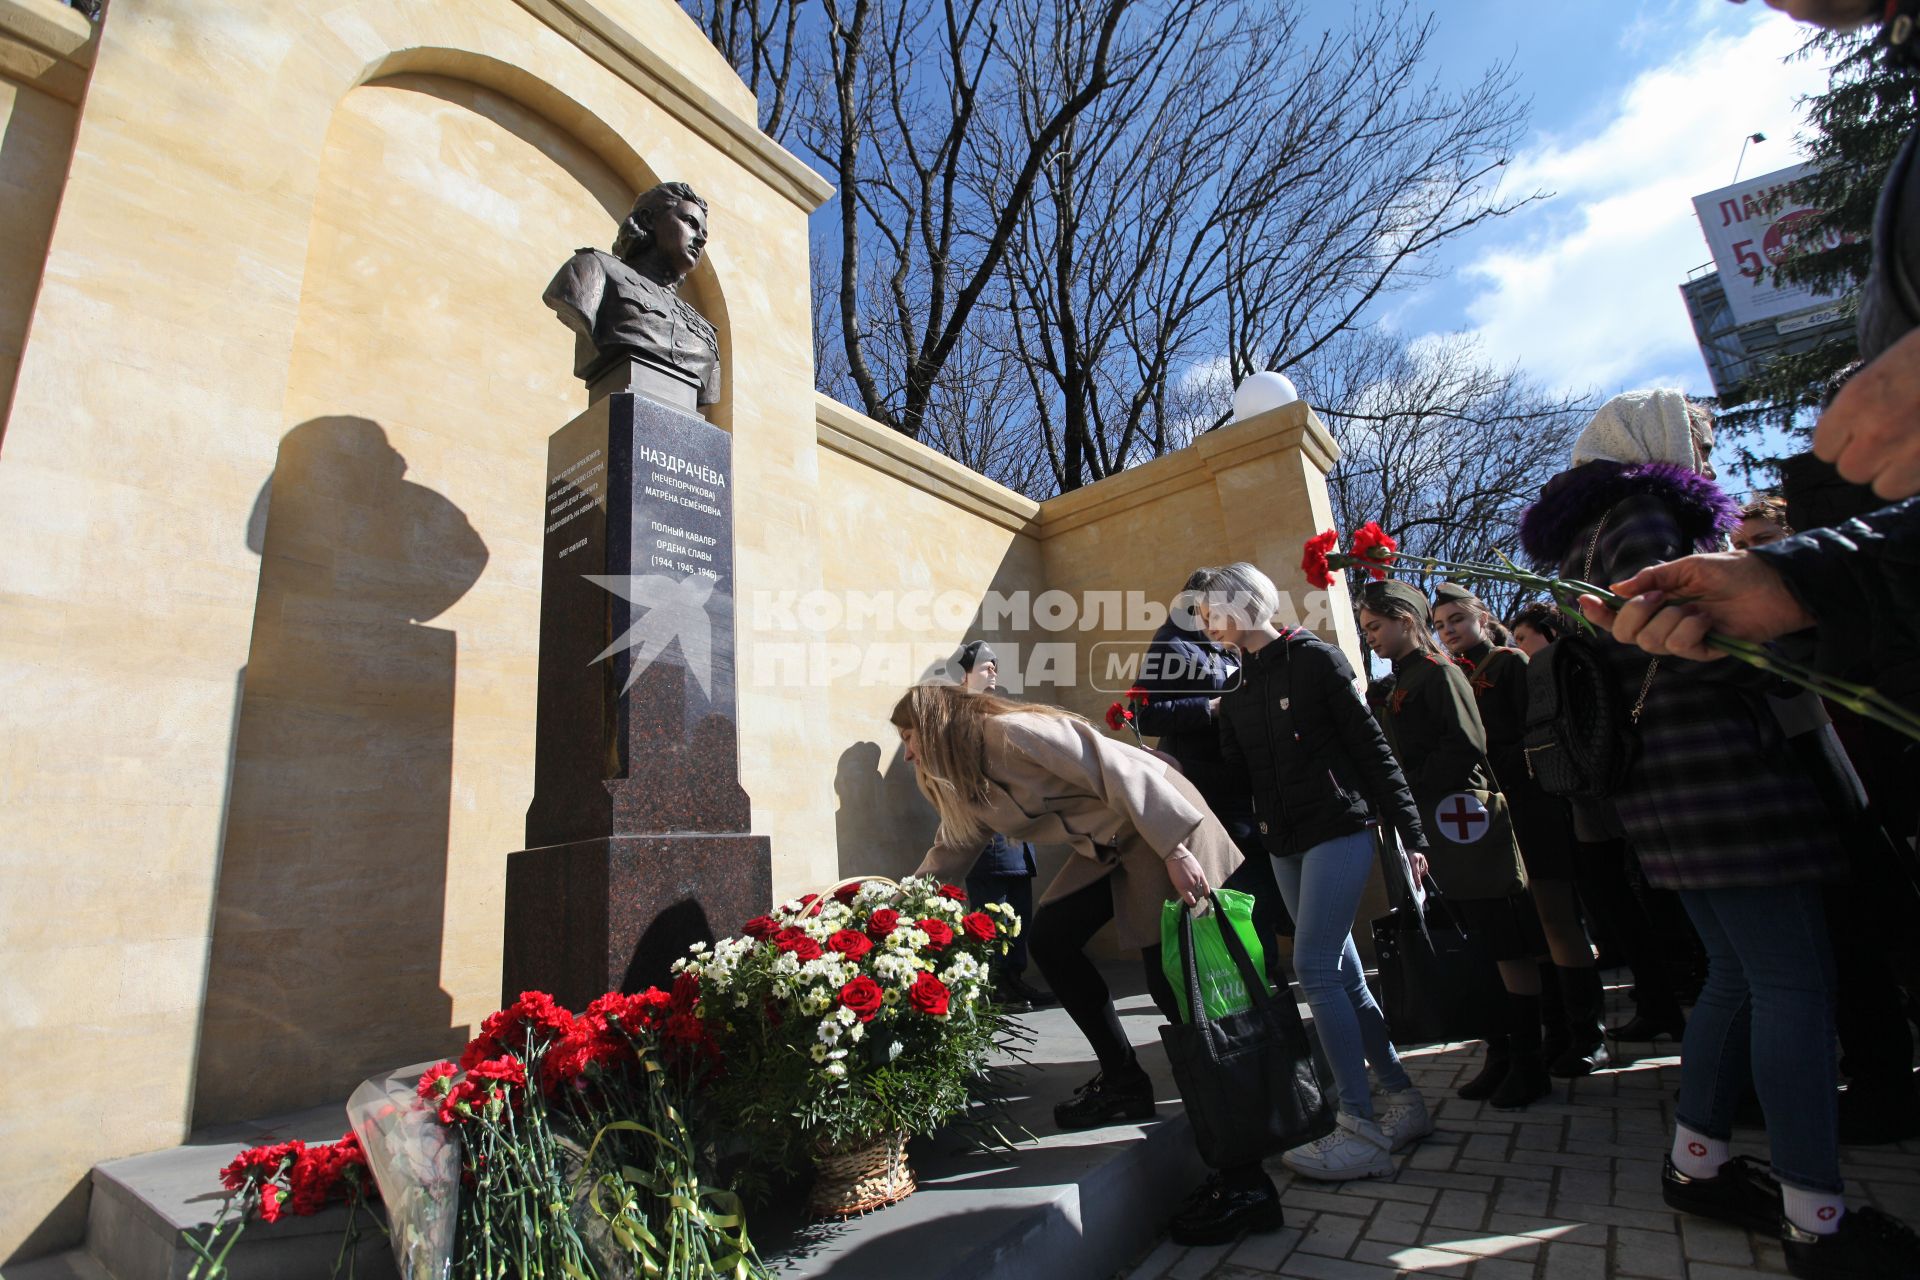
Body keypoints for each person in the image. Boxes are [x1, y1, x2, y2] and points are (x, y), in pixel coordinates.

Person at [1524, 386, 1920, 1278]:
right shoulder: (1646, 515)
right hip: (1724, 788)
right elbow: (1709, 646)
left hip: (1666, 796)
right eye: (1693, 430)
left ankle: (1695, 1167)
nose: (1703, 442)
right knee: (1794, 988)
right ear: (1652, 438)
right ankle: (1816, 1219)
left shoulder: (1591, 531)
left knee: (1739, 983)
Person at [893, 684, 1271, 1245]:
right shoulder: (965, 774)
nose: (907, 753)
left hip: (1161, 823)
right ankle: (1124, 1083)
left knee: (1179, 993)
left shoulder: (1012, 733)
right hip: (1110, 842)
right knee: (1053, 940)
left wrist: (1176, 850)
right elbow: (955, 846)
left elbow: (1121, 768)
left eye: (909, 737)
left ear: (935, 724)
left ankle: (1247, 1184)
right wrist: (900, 910)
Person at [1188, 562, 1435, 1181]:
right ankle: (1402, 1098)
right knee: (1342, 971)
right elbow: (1233, 780)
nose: (1200, 622)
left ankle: (1356, 1127)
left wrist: (1412, 834)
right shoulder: (1239, 693)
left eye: (1207, 610)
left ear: (1242, 603)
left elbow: (1372, 749)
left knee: (1315, 967)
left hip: (1339, 829)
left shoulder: (1317, 660)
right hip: (1284, 843)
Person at [1358, 580, 1550, 1111]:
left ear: (1405, 620)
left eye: (1376, 626)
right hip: (1431, 823)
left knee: (1503, 933)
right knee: (1476, 939)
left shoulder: (1441, 674)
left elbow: (1466, 743)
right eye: (1365, 628)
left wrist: (1410, 787)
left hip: (1462, 815)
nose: (1369, 636)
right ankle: (1501, 1046)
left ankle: (1531, 1058)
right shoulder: (1392, 685)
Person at [1432, 583, 1608, 1077]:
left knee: (1556, 917)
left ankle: (1588, 1032)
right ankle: (1552, 1029)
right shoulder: (1450, 674)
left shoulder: (1511, 664)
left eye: (1457, 620)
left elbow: (1542, 729)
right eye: (1441, 625)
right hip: (1491, 816)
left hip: (1531, 804)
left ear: (1481, 618)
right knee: (1525, 926)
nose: (1449, 632)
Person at [1130, 574, 1292, 960]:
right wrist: (1210, 708)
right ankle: (1260, 995)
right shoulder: (1172, 643)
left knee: (1260, 896)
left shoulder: (1221, 645)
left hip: (1237, 783)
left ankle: (1269, 992)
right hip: (1203, 786)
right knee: (1242, 893)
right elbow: (1144, 715)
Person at [948, 640, 1054, 1011]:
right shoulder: (957, 716)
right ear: (963, 675)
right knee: (993, 913)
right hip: (987, 831)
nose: (993, 669)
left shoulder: (996, 710)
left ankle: (1013, 980)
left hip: (1017, 833)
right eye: (983, 664)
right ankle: (995, 984)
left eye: (994, 664)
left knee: (1019, 912)